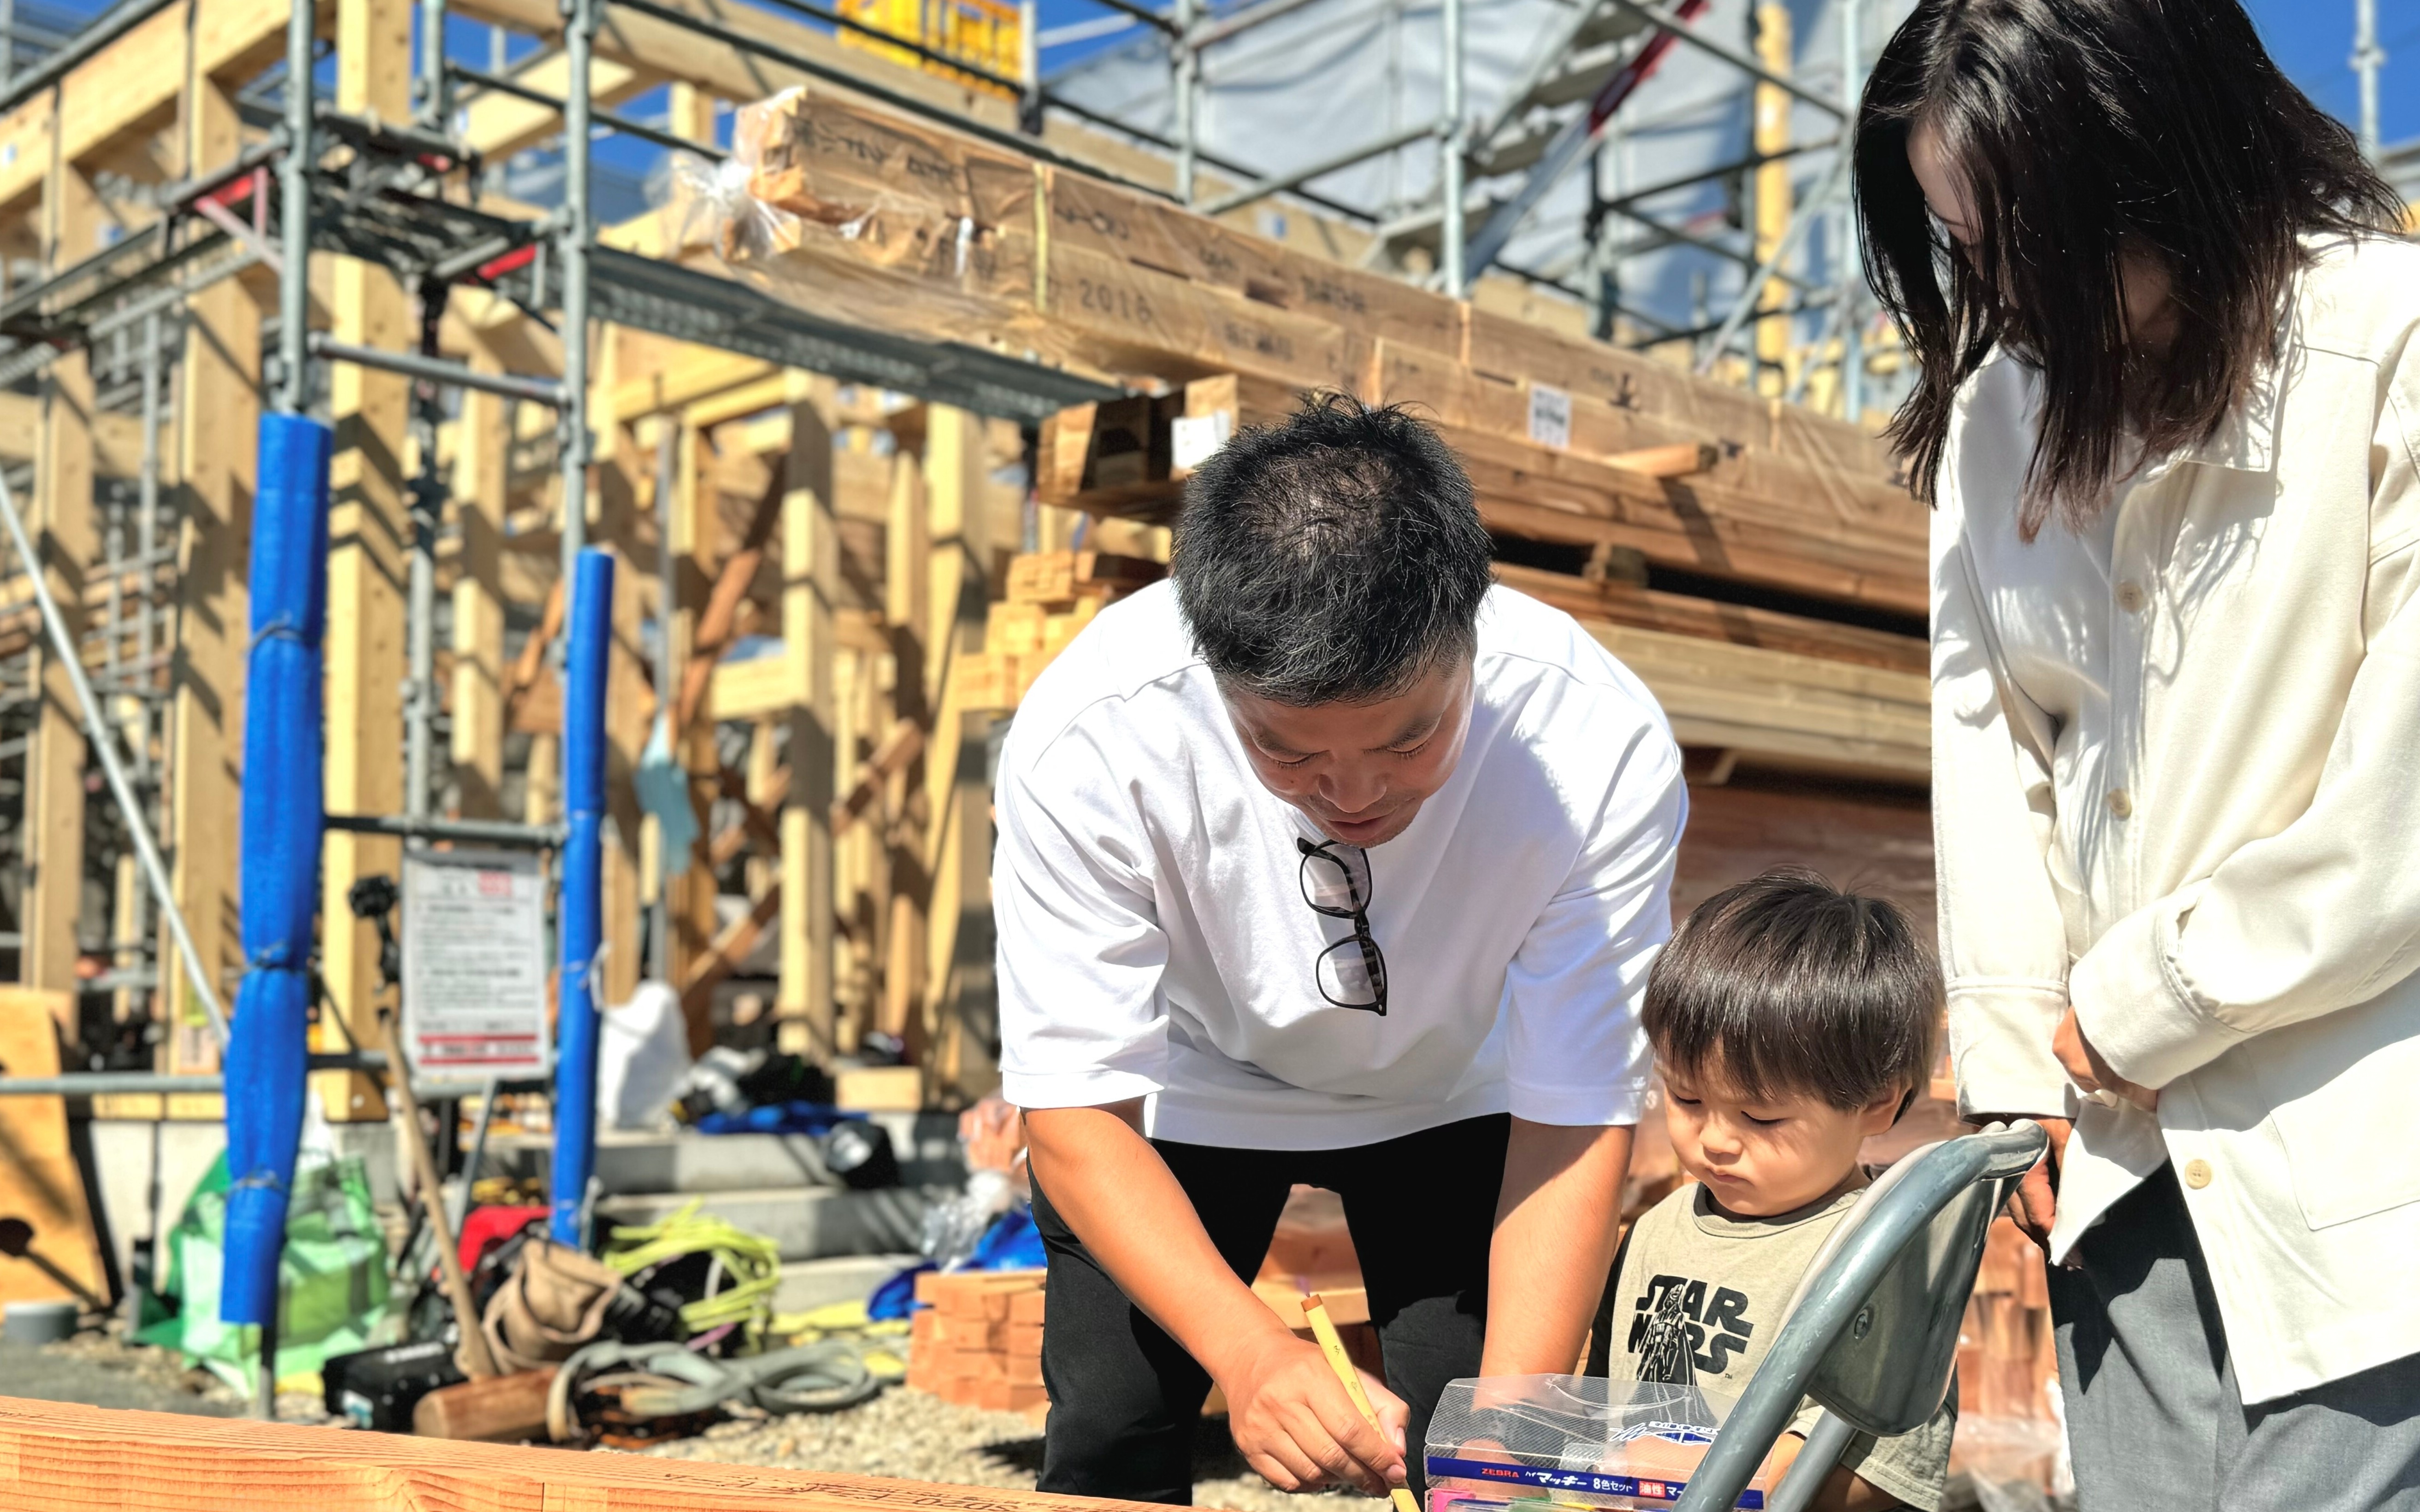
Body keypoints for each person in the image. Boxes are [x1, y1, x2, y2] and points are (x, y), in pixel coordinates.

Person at [1855, 1, 2420, 1505]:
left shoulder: (2390, 339)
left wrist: (2131, 1008)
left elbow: (2400, 814)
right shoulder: (1997, 413)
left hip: (2365, 1143)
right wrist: (2013, 1061)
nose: (1998, 296)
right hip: (2115, 1158)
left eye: (2028, 244)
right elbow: (1991, 747)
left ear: (2171, 164)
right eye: (1960, 249)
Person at [994, 395, 1688, 1503]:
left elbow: (1578, 1110)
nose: (1355, 792)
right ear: (1210, 663)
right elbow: (1074, 1114)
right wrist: (1252, 1352)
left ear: (1472, 636)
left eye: (1412, 736)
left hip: (1463, 1088)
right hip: (1189, 1083)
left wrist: (1506, 1448)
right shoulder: (1094, 736)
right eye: (1284, 749)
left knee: (1475, 1432)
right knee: (1115, 1428)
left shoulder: (1593, 745)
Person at [1587, 870, 1951, 1512]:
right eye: (1686, 1098)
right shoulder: (1658, 1225)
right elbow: (1600, 1403)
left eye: (1760, 1117)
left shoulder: (1883, 1259)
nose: (1716, 1140)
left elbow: (1886, 1478)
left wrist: (1706, 1473)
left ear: (1875, 1103)